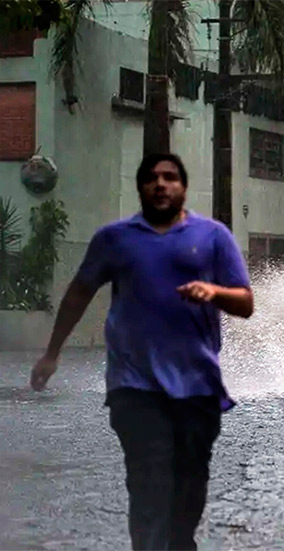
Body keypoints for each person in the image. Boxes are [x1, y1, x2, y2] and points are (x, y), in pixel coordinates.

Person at [30, 153, 254, 551]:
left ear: (183, 187)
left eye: (170, 177)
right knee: (149, 484)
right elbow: (79, 293)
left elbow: (245, 304)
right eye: (151, 178)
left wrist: (214, 292)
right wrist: (52, 352)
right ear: (141, 188)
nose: (160, 184)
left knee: (189, 488)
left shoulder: (213, 236)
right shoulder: (114, 239)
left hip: (197, 388)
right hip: (134, 387)